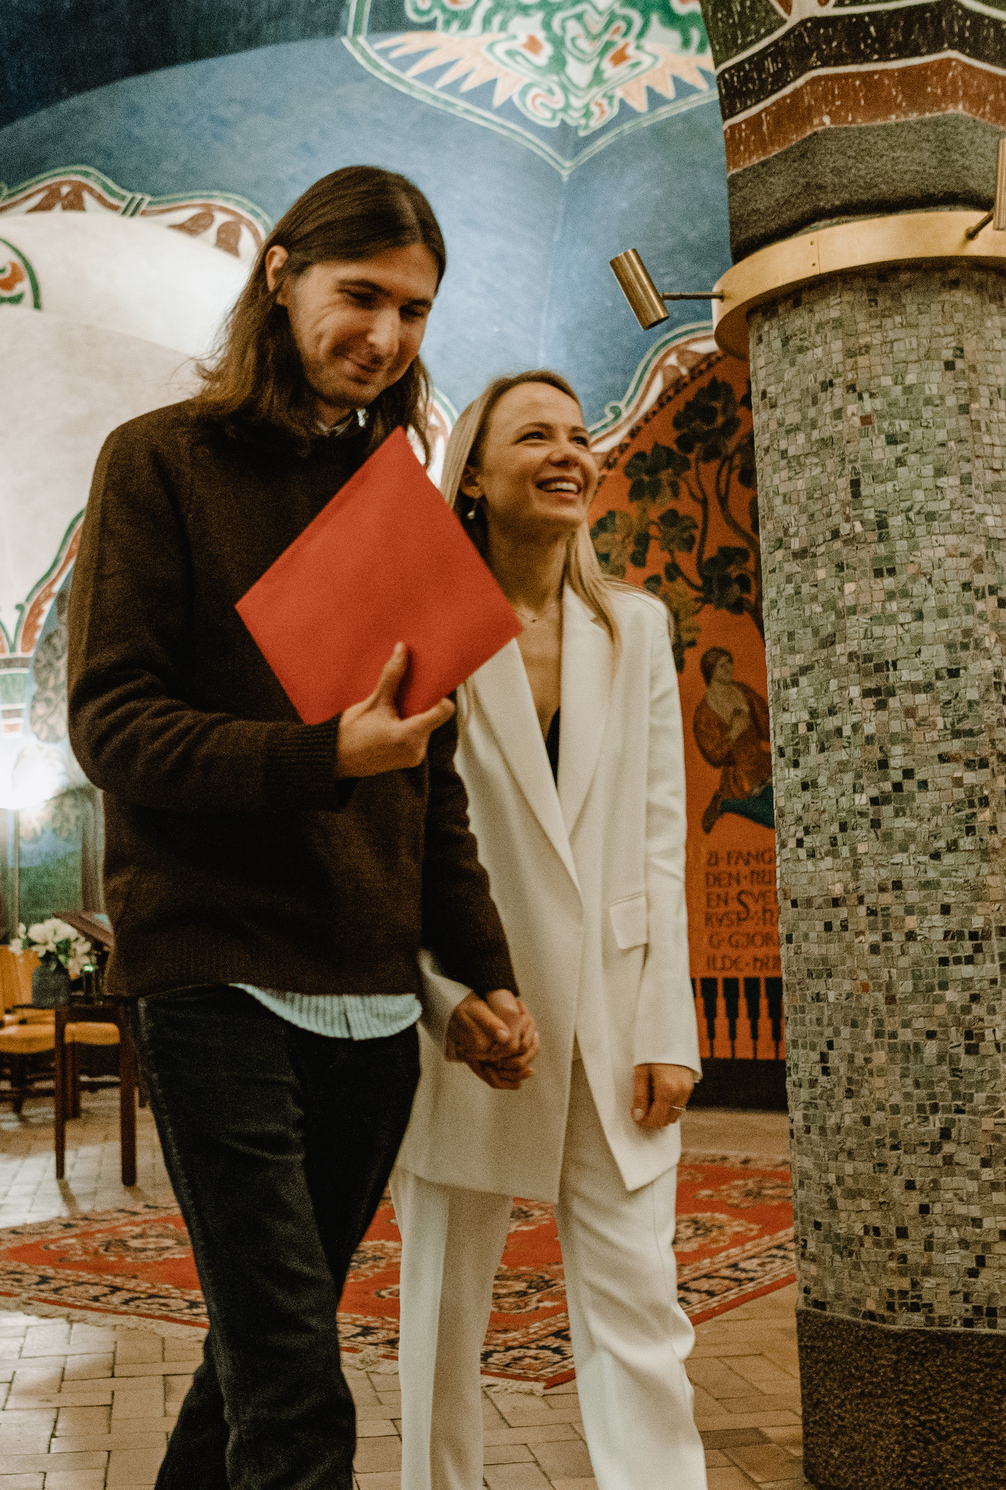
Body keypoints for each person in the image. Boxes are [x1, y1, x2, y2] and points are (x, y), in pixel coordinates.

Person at [66, 165, 540, 1490]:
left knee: (253, 1368)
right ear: (280, 276)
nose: (387, 337)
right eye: (362, 295)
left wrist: (481, 970)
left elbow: (427, 782)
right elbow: (113, 729)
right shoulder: (158, 463)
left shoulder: (401, 505)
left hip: (371, 1011)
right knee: (298, 1397)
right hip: (216, 980)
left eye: (417, 311)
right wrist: (320, 753)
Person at [396, 370, 706, 1490]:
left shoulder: (634, 629)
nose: (571, 452)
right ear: (472, 474)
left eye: (581, 436)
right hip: (473, 1013)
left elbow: (661, 839)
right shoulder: (419, 628)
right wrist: (446, 1001)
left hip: (615, 1021)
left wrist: (668, 1024)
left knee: (641, 1307)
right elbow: (393, 840)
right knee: (439, 1311)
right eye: (536, 436)